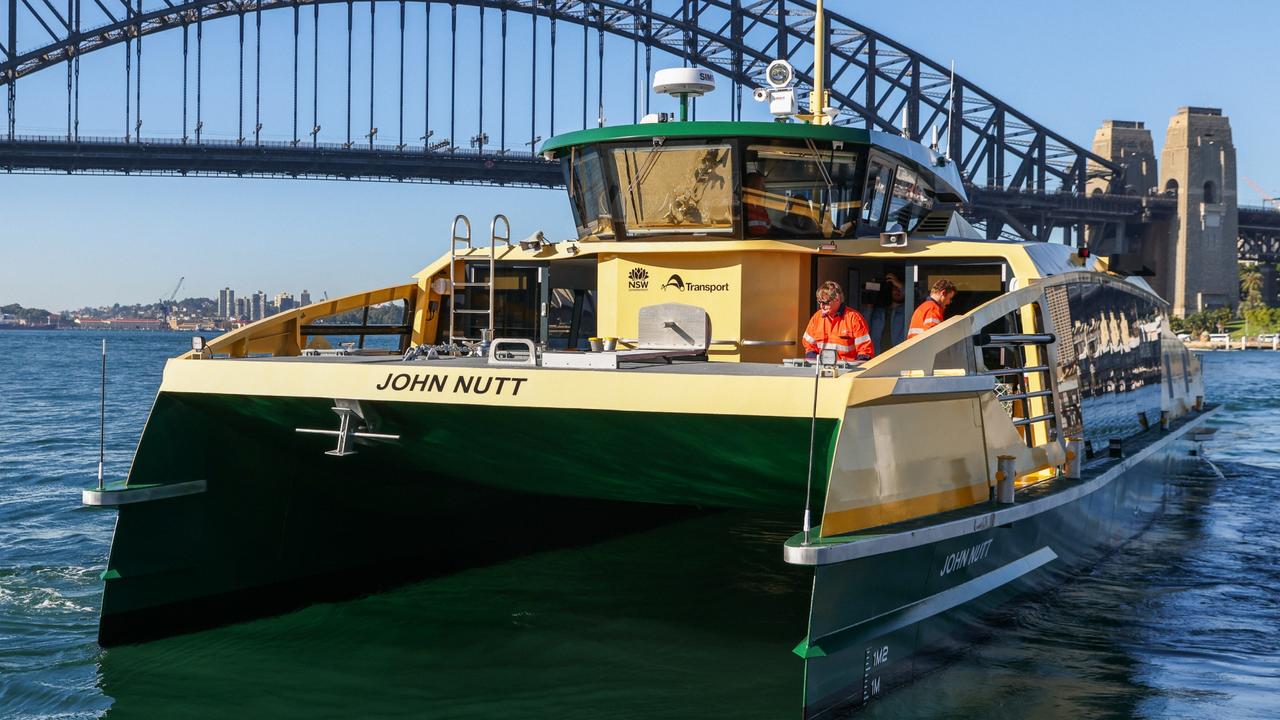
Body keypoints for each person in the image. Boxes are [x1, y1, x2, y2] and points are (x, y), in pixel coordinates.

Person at [803, 281, 874, 362]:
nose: (821, 306)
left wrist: (854, 370)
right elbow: (809, 346)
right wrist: (816, 364)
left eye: (825, 302)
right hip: (821, 369)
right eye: (819, 302)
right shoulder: (816, 318)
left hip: (847, 370)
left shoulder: (854, 318)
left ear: (837, 299)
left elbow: (865, 352)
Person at [743, 172, 771, 236]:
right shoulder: (743, 206)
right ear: (753, 186)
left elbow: (768, 225)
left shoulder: (760, 207)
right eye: (762, 185)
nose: (765, 189)